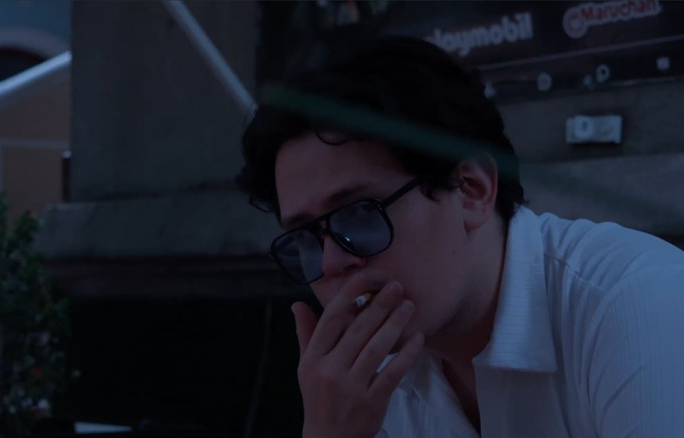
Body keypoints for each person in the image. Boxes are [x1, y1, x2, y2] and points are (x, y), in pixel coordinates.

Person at [236, 36, 684, 438]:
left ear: (471, 189)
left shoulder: (636, 304)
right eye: (305, 237)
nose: (331, 264)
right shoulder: (365, 384)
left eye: (360, 215)